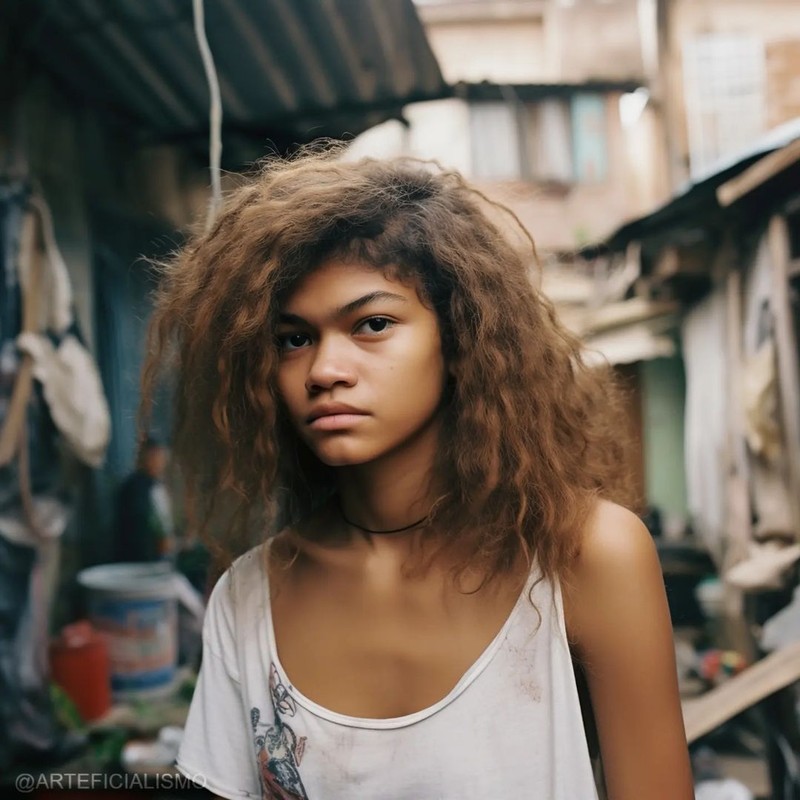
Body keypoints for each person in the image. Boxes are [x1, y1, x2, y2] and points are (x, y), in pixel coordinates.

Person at [140, 149, 695, 799]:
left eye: (372, 324)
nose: (324, 371)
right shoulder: (251, 596)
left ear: (458, 338)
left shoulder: (584, 555)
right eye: (293, 338)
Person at [112, 436, 175, 563]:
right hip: (141, 559)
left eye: (162, 458)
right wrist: (159, 542)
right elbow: (140, 523)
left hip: (156, 555)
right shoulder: (135, 488)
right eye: (157, 458)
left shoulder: (156, 485)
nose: (161, 463)